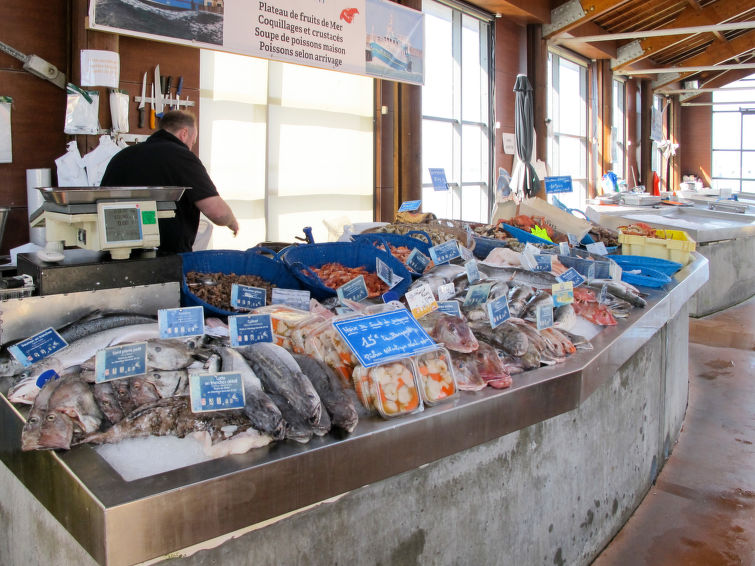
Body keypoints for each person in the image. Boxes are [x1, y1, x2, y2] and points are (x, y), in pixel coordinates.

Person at [101, 110, 238, 254]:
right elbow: (217, 212)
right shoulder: (182, 157)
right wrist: (231, 221)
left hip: (116, 256)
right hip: (165, 258)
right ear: (184, 133)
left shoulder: (122, 156)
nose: (191, 147)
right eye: (192, 142)